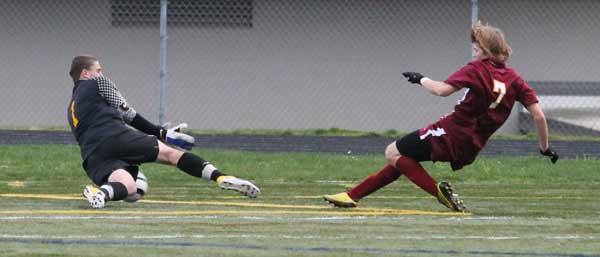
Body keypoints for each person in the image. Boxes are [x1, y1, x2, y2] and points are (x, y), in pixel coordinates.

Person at [323, 22, 559, 212]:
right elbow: (538, 116)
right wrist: (544, 148)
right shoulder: (514, 78)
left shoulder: (476, 69)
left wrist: (420, 79)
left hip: (452, 131)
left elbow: (442, 90)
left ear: (486, 49)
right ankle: (352, 195)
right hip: (473, 144)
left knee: (392, 151)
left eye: (476, 46)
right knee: (403, 159)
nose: (474, 50)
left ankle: (438, 192)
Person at [67, 55, 260, 209]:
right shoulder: (99, 83)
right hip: (115, 137)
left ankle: (101, 194)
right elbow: (127, 113)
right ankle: (221, 177)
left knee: (133, 190)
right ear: (86, 73)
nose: (101, 73)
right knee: (171, 154)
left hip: (92, 156)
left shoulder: (71, 108)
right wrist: (162, 133)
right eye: (98, 70)